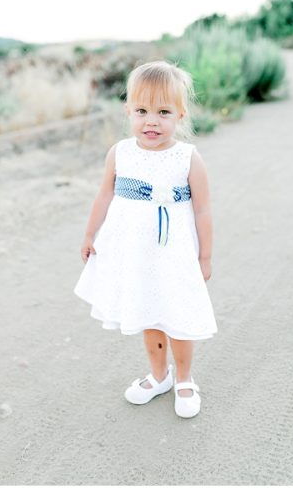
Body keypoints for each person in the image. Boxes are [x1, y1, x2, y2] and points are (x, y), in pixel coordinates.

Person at [74, 60, 217, 419]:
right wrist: (90, 233)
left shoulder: (187, 158)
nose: (151, 121)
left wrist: (205, 257)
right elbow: (104, 196)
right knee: (150, 312)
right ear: (128, 111)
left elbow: (202, 210)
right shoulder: (120, 154)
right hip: (136, 254)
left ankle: (185, 379)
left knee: (178, 315)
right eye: (141, 110)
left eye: (163, 112)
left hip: (176, 253)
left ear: (180, 115)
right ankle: (159, 376)